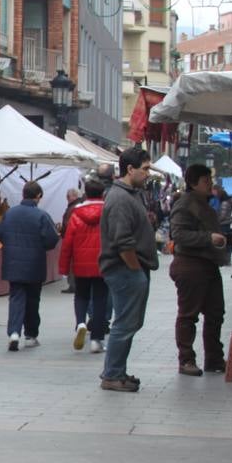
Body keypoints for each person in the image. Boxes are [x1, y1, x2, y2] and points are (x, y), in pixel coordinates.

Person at [97, 147, 158, 392]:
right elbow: (122, 241)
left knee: (129, 322)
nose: (148, 174)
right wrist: (135, 271)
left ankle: (117, 371)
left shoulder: (130, 194)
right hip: (124, 269)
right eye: (145, 169)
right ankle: (112, 375)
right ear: (130, 169)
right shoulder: (120, 198)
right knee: (124, 323)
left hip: (131, 268)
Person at [167, 164, 229, 376]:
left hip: (208, 264)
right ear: (193, 183)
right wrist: (208, 238)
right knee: (188, 314)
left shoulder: (204, 203)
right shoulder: (185, 204)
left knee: (215, 313)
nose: (210, 184)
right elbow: (179, 235)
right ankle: (186, 359)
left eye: (210, 180)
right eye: (206, 180)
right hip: (190, 264)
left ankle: (214, 357)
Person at [0, 181, 60, 351]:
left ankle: (14, 332)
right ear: (38, 196)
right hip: (34, 263)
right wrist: (41, 247)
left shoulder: (10, 214)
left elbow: (0, 233)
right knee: (32, 299)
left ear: (23, 194)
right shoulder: (41, 215)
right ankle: (31, 335)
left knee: (16, 297)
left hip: (13, 263)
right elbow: (52, 239)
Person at [58, 179, 109, 354]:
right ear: (103, 194)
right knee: (101, 299)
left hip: (80, 263)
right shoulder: (108, 211)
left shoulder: (76, 213)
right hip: (103, 263)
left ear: (85, 193)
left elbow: (67, 242)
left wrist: (64, 268)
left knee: (81, 295)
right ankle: (97, 339)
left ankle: (80, 322)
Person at [60, 188, 82, 294]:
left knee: (72, 264)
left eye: (68, 197)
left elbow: (69, 225)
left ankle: (73, 285)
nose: (67, 199)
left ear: (73, 196)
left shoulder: (73, 208)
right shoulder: (79, 206)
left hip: (72, 240)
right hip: (78, 240)